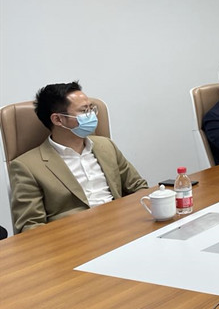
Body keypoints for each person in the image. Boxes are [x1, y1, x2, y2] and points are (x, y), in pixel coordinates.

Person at [9, 82, 148, 234]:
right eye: (84, 111)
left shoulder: (106, 146)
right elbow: (30, 227)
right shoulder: (26, 166)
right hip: (73, 237)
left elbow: (138, 188)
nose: (92, 115)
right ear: (58, 119)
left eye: (91, 109)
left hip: (121, 226)